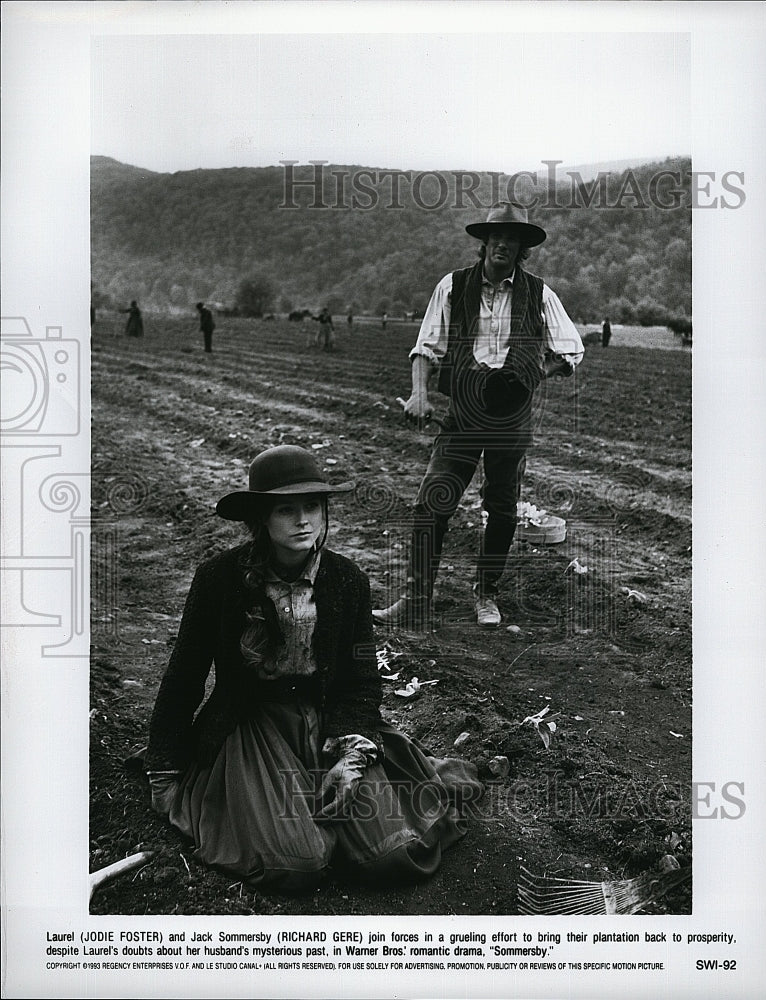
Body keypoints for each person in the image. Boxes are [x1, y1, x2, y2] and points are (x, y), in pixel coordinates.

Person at [145, 445, 481, 892]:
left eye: (313, 507)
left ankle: (344, 813)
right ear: (261, 518)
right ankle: (285, 820)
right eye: (287, 509)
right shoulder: (218, 579)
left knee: (395, 857)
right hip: (253, 724)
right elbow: (184, 675)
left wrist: (352, 757)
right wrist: (164, 768)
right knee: (298, 865)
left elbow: (360, 680)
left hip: (329, 719)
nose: (303, 520)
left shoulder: (347, 580)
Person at [372, 202, 584, 630]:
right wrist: (418, 395)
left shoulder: (540, 293)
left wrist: (531, 374)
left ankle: (486, 593)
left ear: (523, 247)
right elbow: (425, 347)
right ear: (484, 242)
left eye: (514, 238)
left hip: (511, 419)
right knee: (432, 503)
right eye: (497, 236)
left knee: (503, 511)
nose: (504, 243)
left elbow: (572, 350)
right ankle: (416, 599)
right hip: (464, 415)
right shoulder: (452, 286)